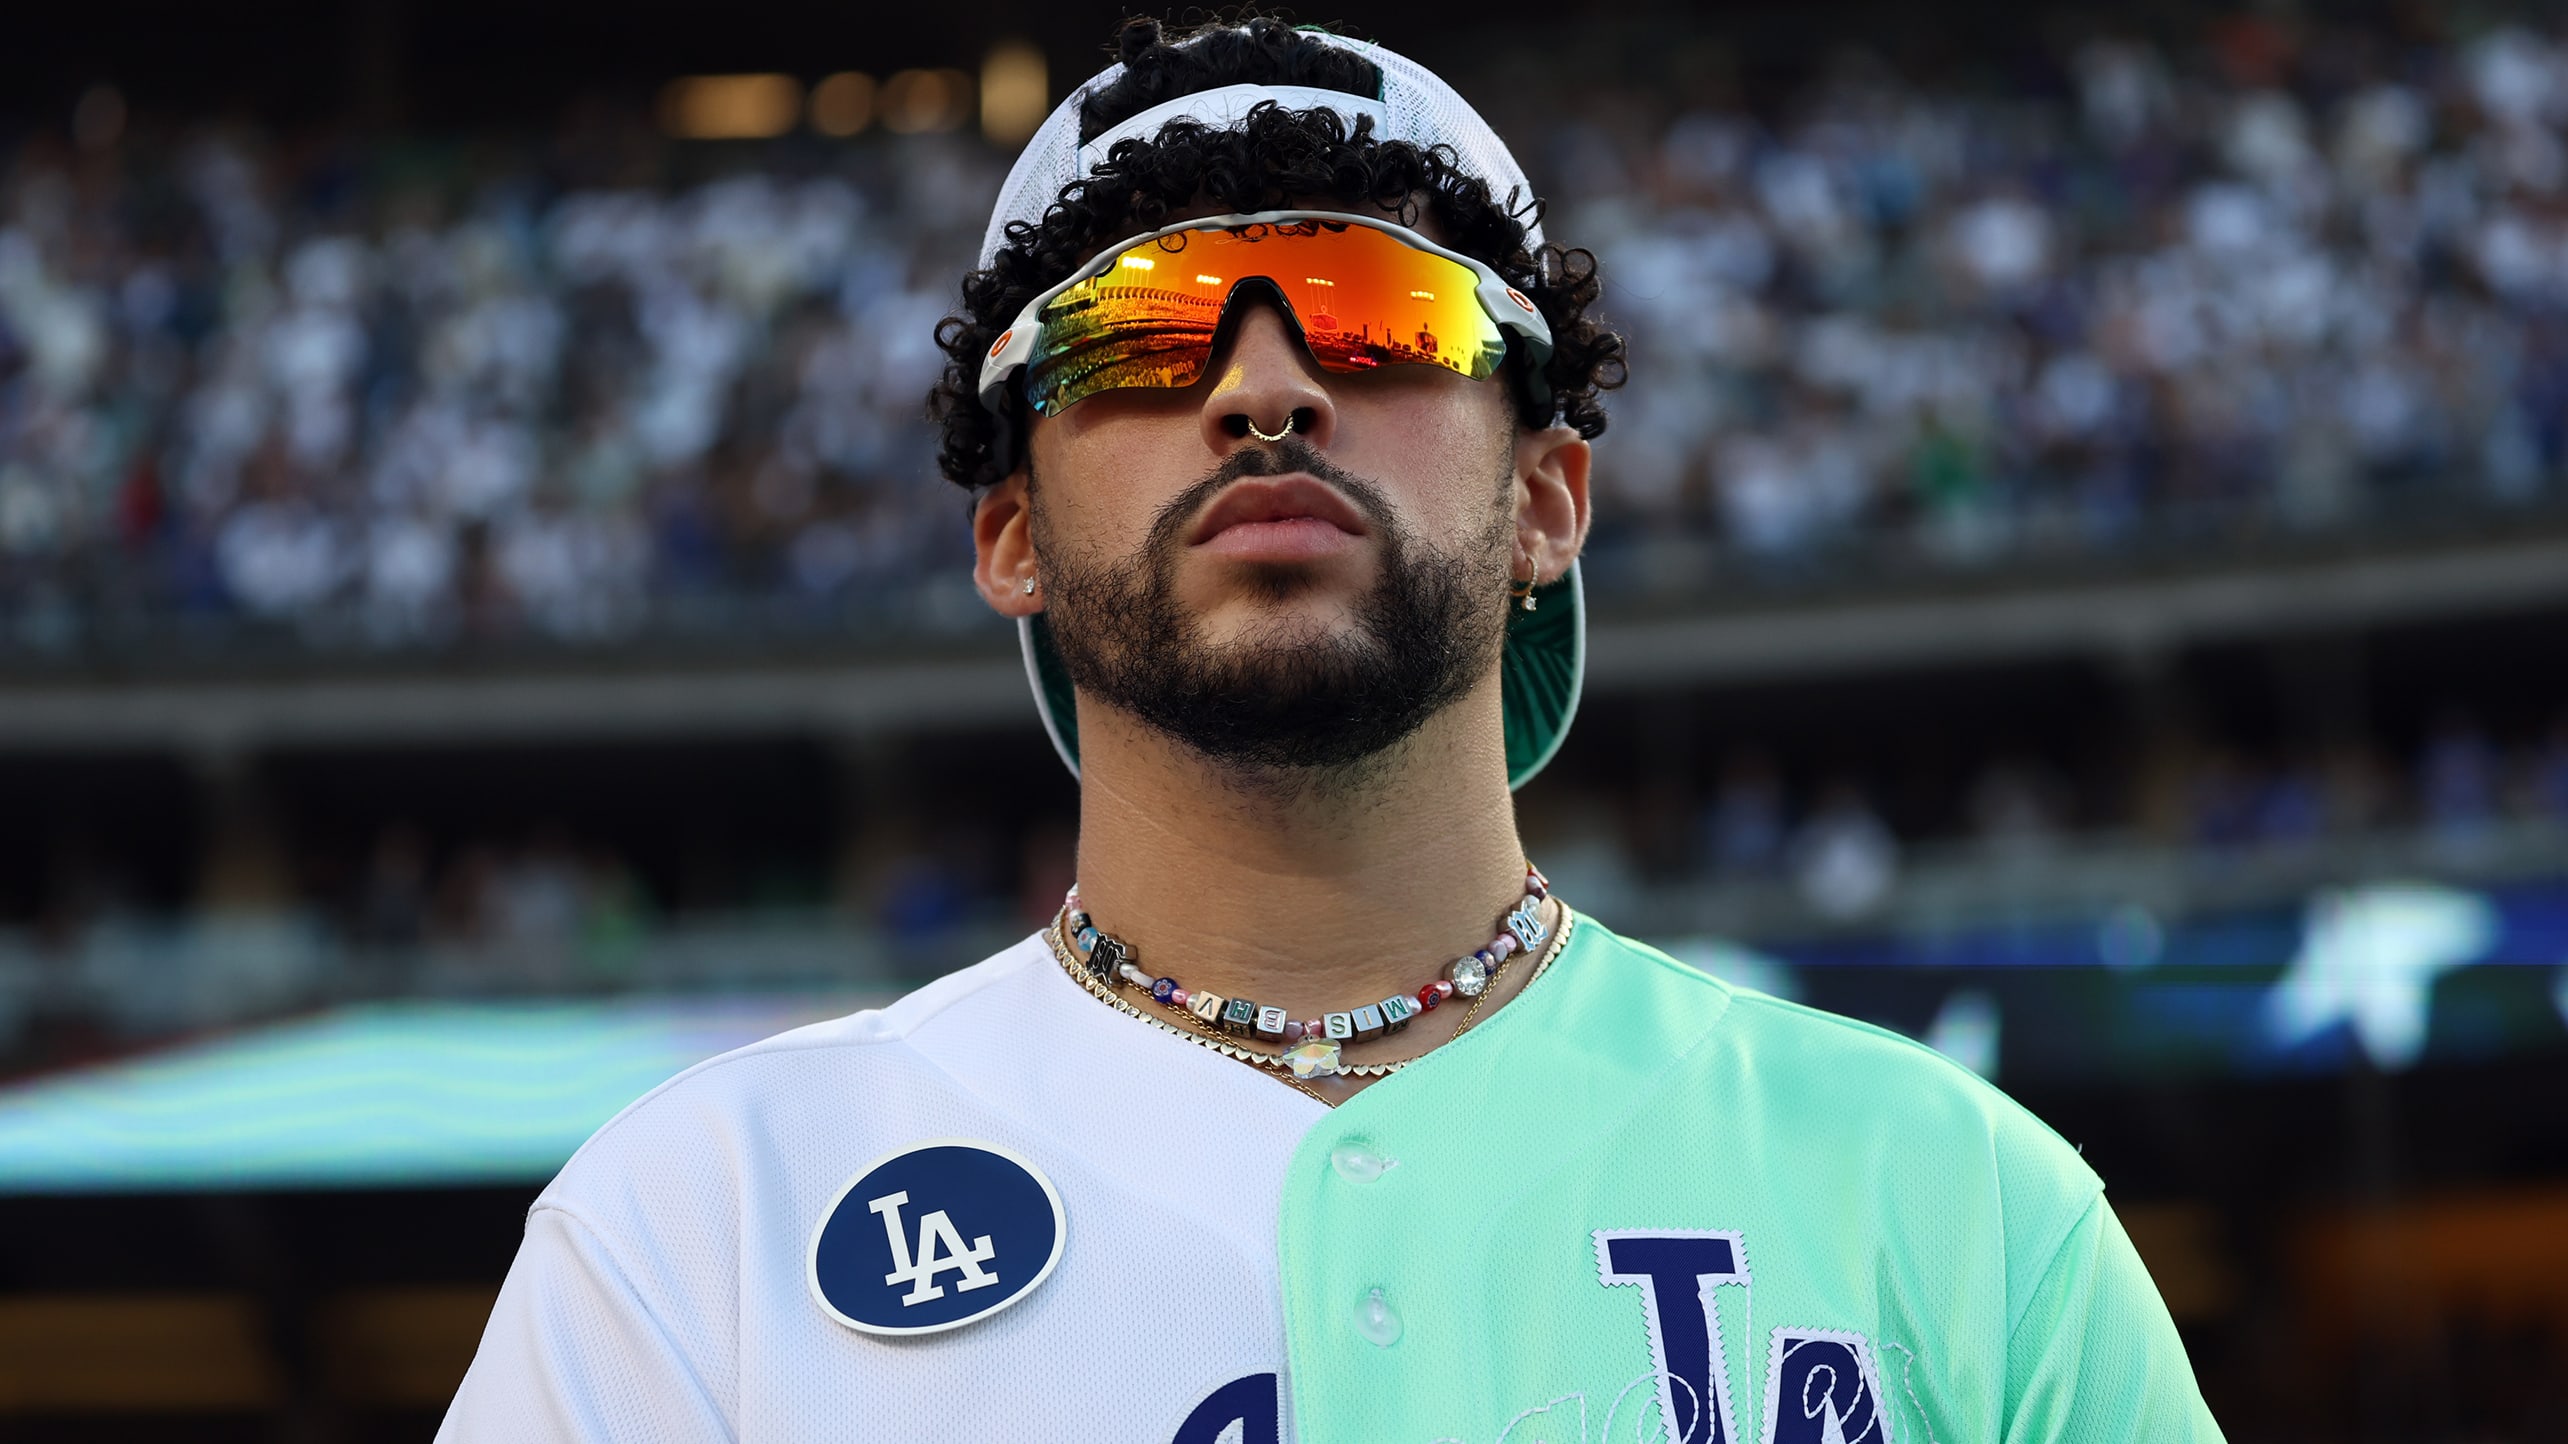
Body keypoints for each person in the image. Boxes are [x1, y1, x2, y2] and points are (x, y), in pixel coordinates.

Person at [438, 17, 2224, 1442]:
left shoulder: (1963, 1205)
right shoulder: (697, 1230)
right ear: (1012, 540)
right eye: (1137, 337)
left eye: (1377, 318)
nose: (1265, 383)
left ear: (1548, 497)